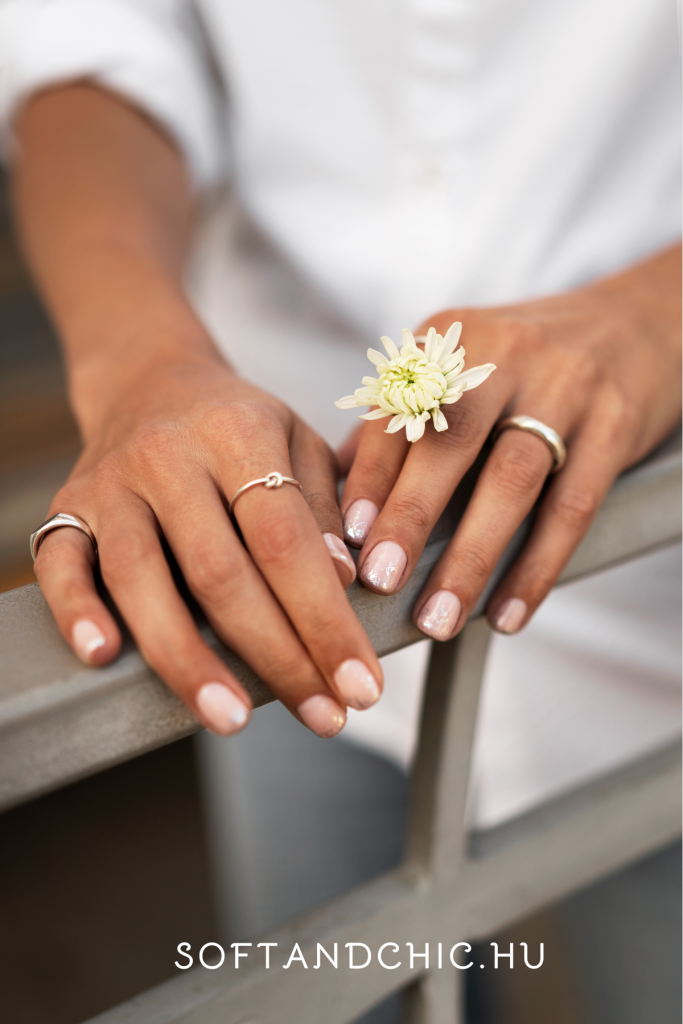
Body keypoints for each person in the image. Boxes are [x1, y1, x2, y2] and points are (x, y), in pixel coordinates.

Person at [0, 1, 680, 1017]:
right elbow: (93, 36)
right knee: (322, 989)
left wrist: (652, 314)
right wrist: (137, 355)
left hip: (645, 529)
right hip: (270, 530)